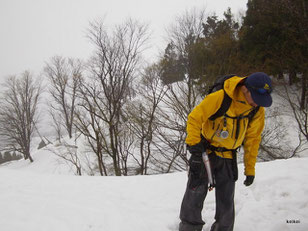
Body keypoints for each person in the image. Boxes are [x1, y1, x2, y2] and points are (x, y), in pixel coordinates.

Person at [179, 72, 273, 231]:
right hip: (205, 152)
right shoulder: (221, 97)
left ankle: (223, 228)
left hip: (229, 155)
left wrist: (250, 170)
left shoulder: (256, 110)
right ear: (245, 89)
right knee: (195, 192)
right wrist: (194, 148)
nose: (257, 104)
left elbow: (253, 140)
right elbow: (195, 118)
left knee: (226, 199)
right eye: (256, 99)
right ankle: (189, 227)